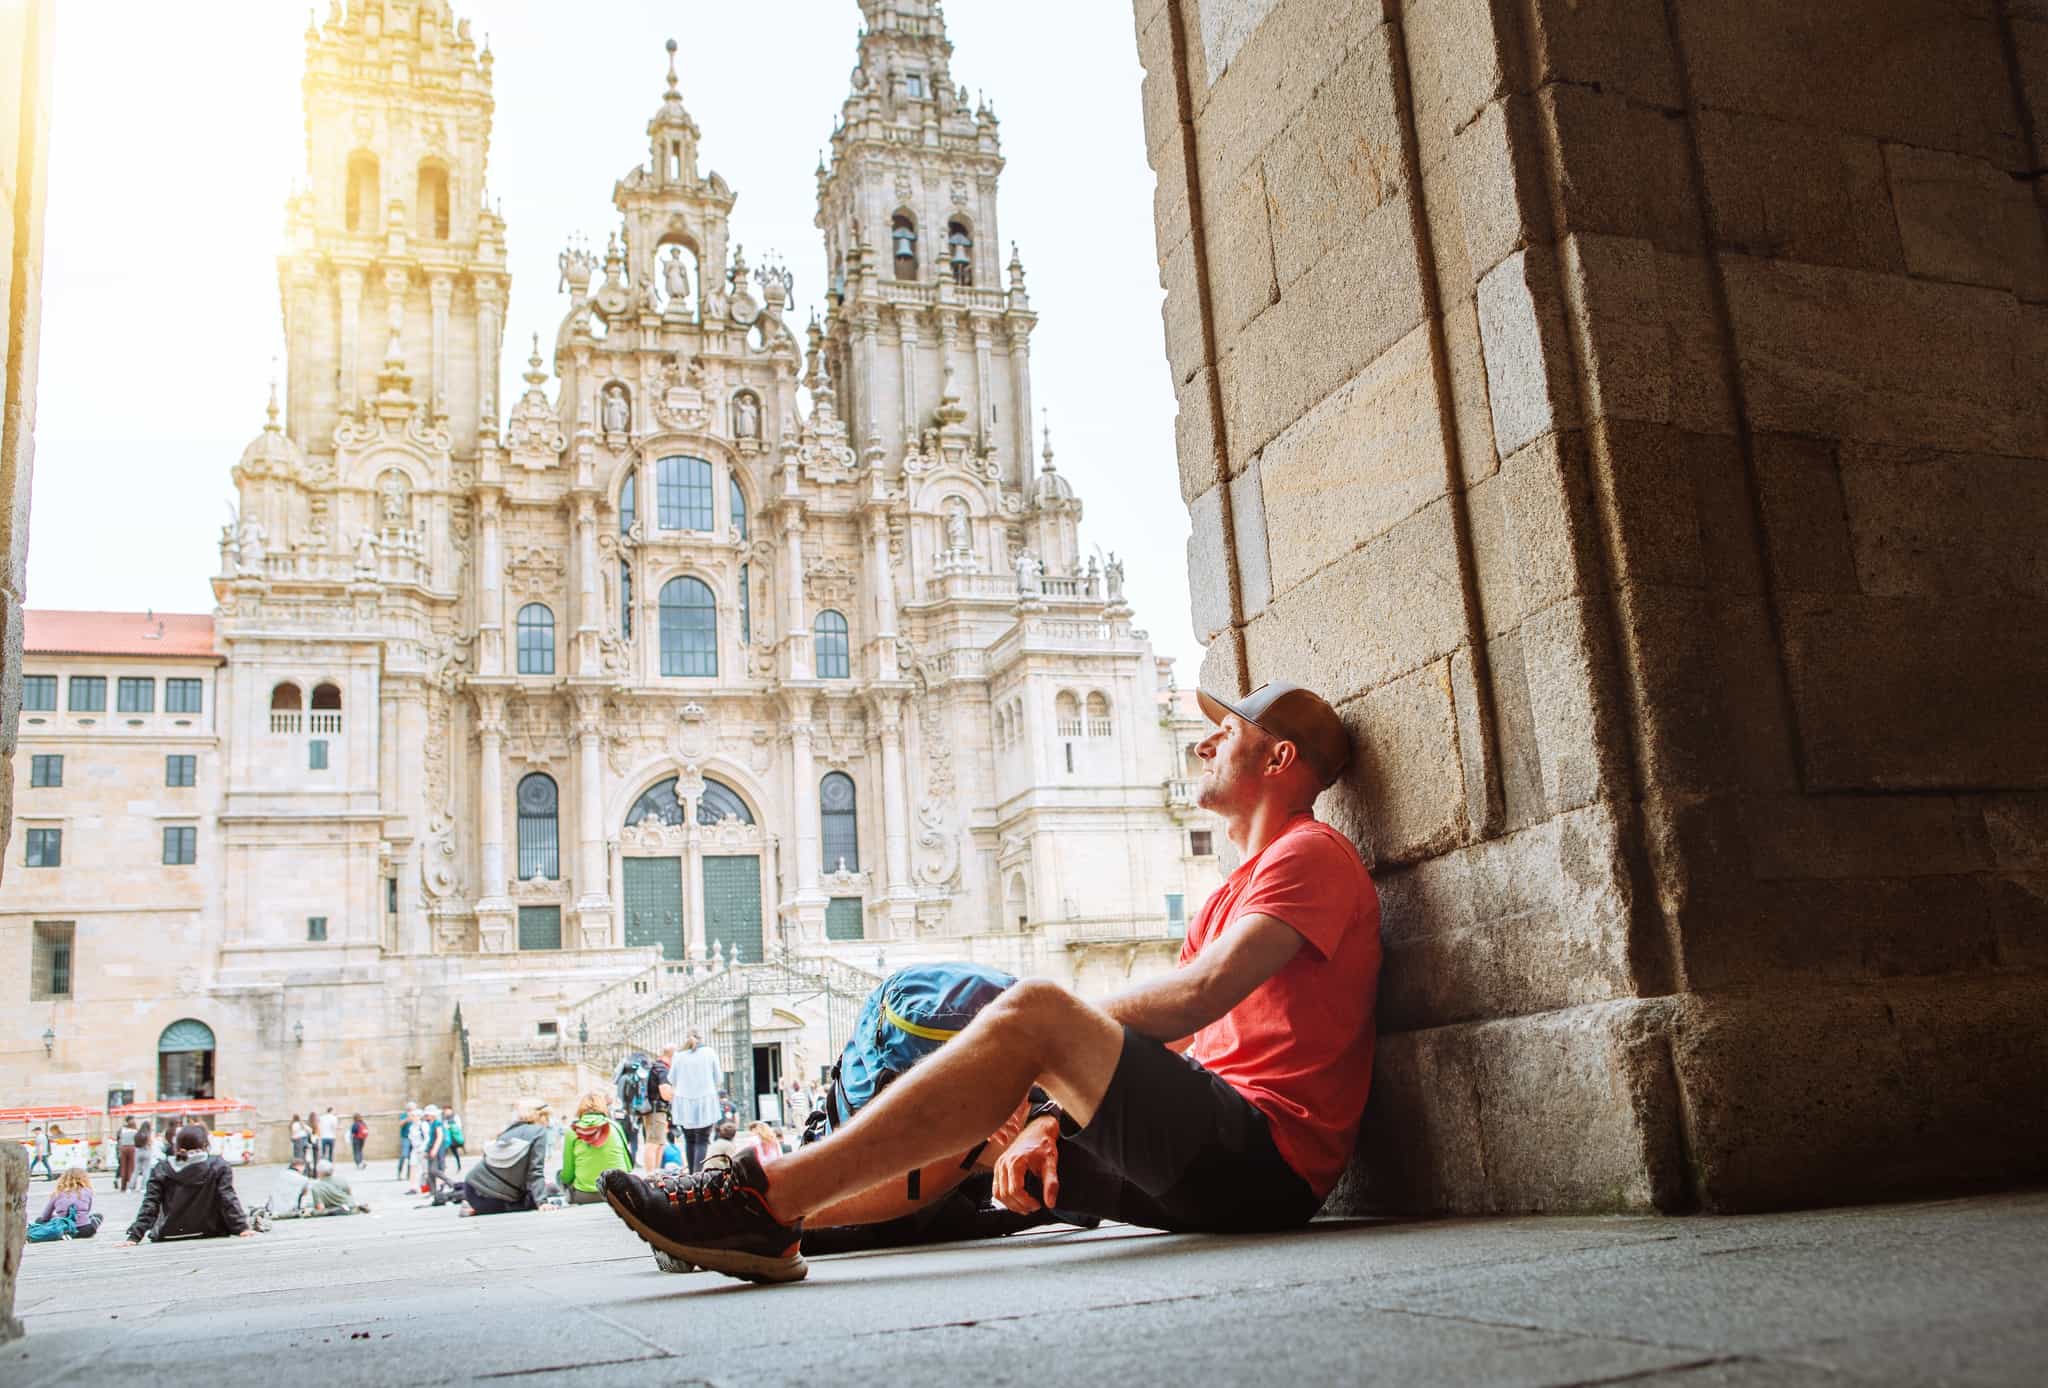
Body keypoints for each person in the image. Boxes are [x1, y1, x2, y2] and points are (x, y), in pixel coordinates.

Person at [599, 679, 1378, 1285]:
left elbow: (1193, 999)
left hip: (1265, 1164)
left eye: (1229, 733)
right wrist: (1047, 1115)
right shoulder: (1228, 893)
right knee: (985, 1135)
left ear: (1279, 760)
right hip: (1213, 1154)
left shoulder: (1310, 853)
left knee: (1034, 1010)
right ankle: (768, 1226)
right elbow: (1186, 1039)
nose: (1206, 744)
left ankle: (761, 1194)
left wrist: (1037, 1045)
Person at [124, 1123, 255, 1244]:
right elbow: (227, 1198)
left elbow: (150, 1204)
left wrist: (134, 1236)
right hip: (210, 1230)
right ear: (205, 1144)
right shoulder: (218, 1166)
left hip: (169, 1233)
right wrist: (241, 1227)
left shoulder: (162, 1168)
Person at [454, 1100, 552, 1216]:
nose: (549, 1122)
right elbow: (535, 1170)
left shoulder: (510, 1130)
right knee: (530, 1201)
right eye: (548, 1117)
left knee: (527, 1196)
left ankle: (476, 1208)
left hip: (471, 1188)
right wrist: (542, 1202)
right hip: (496, 1197)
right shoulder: (539, 1132)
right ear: (541, 1116)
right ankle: (477, 1210)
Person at [557, 1092, 632, 1205]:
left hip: (585, 1195)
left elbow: (567, 1175)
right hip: (618, 1194)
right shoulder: (615, 1126)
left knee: (559, 1174)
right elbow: (629, 1166)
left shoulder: (572, 1131)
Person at [671, 1032, 722, 1173]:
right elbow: (718, 1078)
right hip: (705, 1100)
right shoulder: (709, 1052)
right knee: (702, 1140)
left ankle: (692, 1173)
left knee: (690, 1140)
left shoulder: (678, 1056)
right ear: (702, 1038)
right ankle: (698, 1173)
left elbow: (671, 1079)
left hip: (684, 1101)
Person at [36, 1167, 100, 1236]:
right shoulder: (88, 1191)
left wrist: (56, 1216)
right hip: (85, 1229)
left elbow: (45, 1216)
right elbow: (87, 1211)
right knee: (98, 1216)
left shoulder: (57, 1193)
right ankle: (74, 1233)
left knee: (39, 1220)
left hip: (62, 1227)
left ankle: (66, 1233)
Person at [642, 1046, 675, 1173]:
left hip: (653, 1110)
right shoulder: (662, 1069)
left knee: (659, 1143)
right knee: (653, 1143)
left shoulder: (655, 1066)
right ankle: (651, 1175)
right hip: (657, 1111)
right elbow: (665, 1093)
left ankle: (655, 1173)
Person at [395, 1105, 418, 1182]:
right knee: (404, 1155)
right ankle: (399, 1172)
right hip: (406, 1137)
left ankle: (409, 1174)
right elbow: (400, 1124)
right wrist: (407, 1119)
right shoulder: (404, 1115)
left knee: (412, 1156)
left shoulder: (416, 1115)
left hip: (414, 1138)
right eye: (410, 1109)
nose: (411, 1111)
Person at [116, 1117, 138, 1192]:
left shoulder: (122, 1130)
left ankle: (123, 1186)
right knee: (131, 1167)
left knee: (123, 1168)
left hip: (123, 1148)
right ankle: (131, 1185)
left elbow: (118, 1138)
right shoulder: (135, 1130)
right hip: (132, 1148)